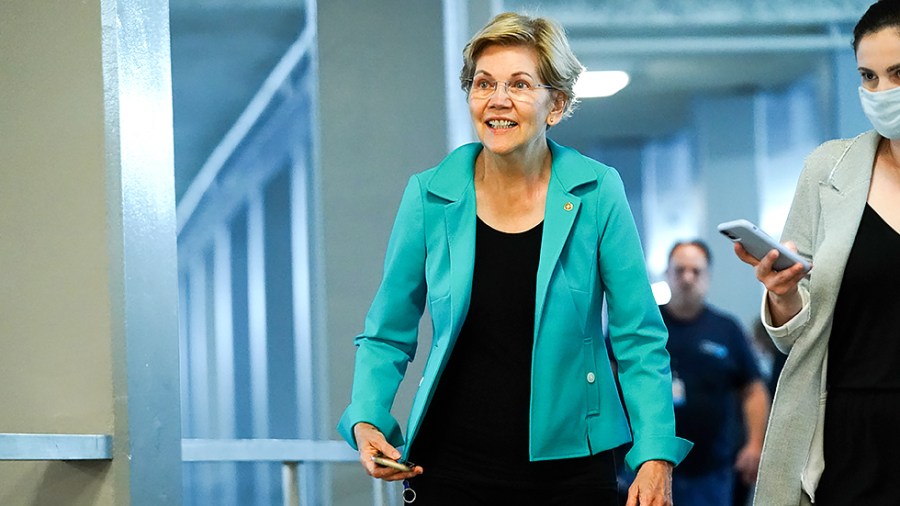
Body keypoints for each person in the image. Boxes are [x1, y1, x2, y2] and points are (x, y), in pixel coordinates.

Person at [336, 11, 691, 505]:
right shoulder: (429, 197)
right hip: (451, 466)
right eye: (484, 83)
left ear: (556, 105)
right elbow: (386, 332)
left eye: (520, 85)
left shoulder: (597, 192)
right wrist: (367, 417)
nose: (497, 100)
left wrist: (655, 454)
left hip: (572, 468)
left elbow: (639, 338)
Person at [731, 1, 900, 504]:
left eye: (897, 73)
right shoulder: (828, 171)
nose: (881, 92)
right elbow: (797, 335)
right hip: (848, 435)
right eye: (868, 76)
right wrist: (782, 296)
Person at [661, 240, 770, 506]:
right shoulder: (645, 327)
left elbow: (753, 389)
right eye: (680, 270)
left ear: (707, 276)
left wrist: (755, 444)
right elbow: (612, 378)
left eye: (696, 271)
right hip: (651, 467)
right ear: (667, 274)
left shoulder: (726, 330)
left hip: (712, 472)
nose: (687, 278)